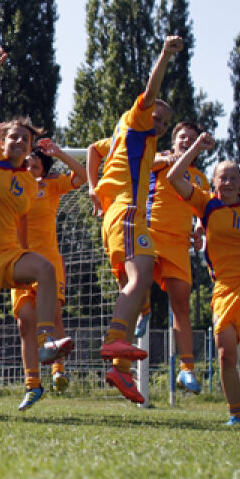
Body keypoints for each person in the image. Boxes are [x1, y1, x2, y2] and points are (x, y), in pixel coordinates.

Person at [0, 48, 73, 420]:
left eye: (25, 139)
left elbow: (22, 224)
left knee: (44, 268)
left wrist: (25, 254)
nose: (19, 143)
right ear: (1, 141)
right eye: (13, 138)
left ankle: (44, 343)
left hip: (7, 254)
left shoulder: (29, 181)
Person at [168, 134, 240, 424]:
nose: (228, 182)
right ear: (215, 181)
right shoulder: (205, 204)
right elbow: (173, 177)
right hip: (224, 285)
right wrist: (195, 147)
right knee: (225, 353)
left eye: (234, 177)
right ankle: (236, 414)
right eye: (223, 177)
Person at [94, 36, 184, 403]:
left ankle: (121, 369)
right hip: (128, 212)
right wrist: (164, 55)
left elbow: (93, 151)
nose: (159, 124)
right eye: (157, 117)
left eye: (165, 122)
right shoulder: (136, 120)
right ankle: (115, 339)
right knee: (142, 275)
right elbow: (150, 90)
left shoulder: (136, 140)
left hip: (119, 215)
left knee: (138, 284)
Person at [9, 139, 88, 398]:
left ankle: (58, 370)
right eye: (26, 165)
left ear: (43, 170)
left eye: (35, 166)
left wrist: (60, 153)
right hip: (19, 262)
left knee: (53, 317)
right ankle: (32, 384)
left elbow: (83, 176)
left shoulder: (51, 187)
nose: (30, 170)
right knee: (25, 322)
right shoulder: (11, 187)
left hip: (50, 264)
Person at [145, 121, 210, 395]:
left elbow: (202, 211)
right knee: (137, 282)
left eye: (192, 138)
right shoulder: (161, 161)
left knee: (181, 304)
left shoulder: (200, 179)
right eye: (183, 137)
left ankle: (187, 370)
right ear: (174, 141)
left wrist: (198, 229)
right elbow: (150, 164)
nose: (187, 141)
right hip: (150, 232)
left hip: (178, 244)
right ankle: (122, 355)